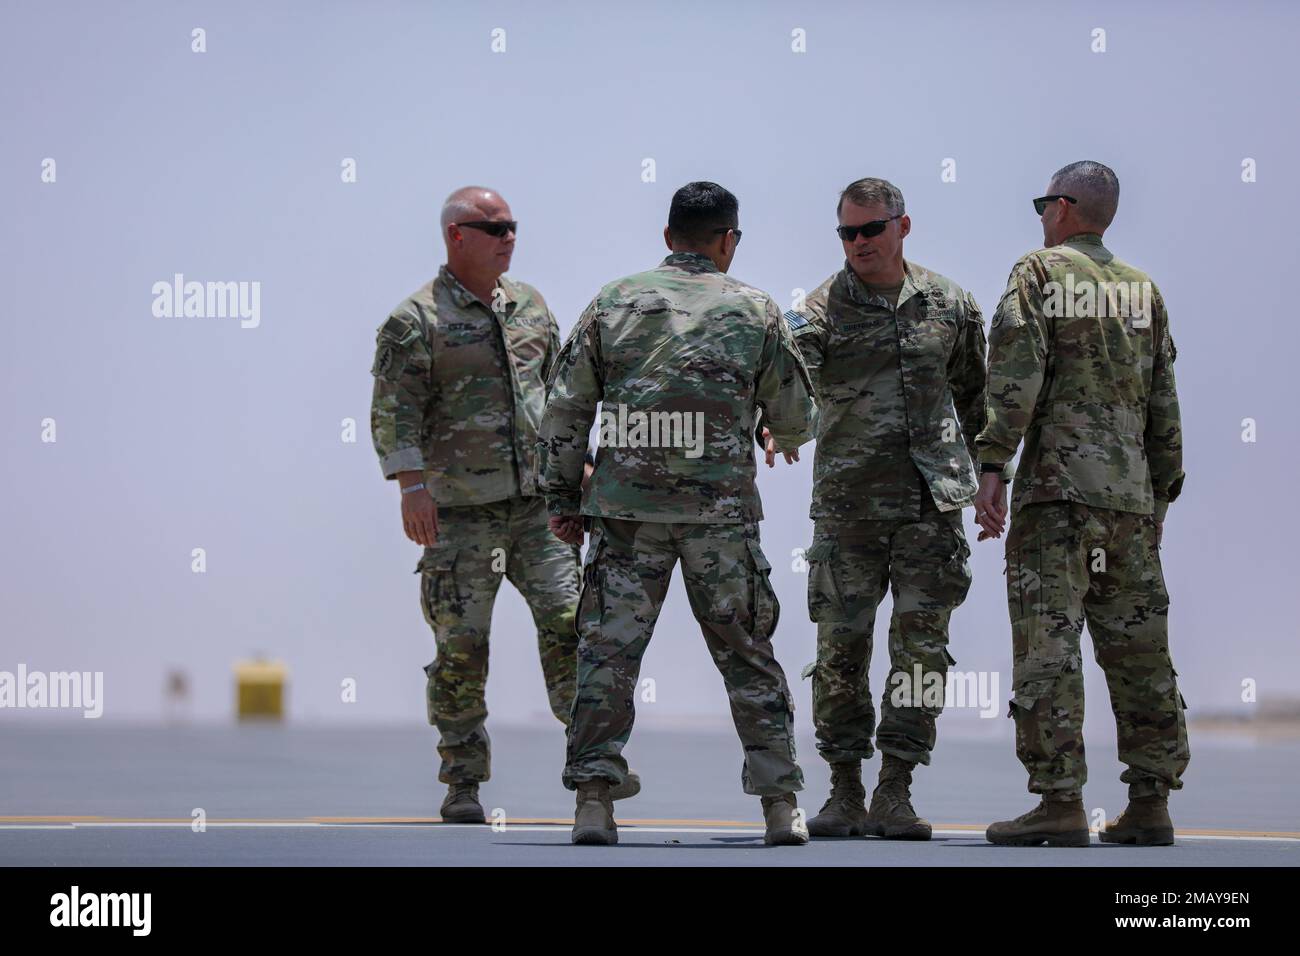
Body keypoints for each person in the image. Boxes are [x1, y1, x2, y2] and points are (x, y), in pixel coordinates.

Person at [539, 182, 815, 846]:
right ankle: (781, 805)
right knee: (748, 655)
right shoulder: (754, 309)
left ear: (669, 238)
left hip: (626, 516)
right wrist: (767, 429)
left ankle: (595, 803)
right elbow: (798, 416)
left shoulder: (614, 301)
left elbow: (563, 410)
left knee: (607, 654)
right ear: (729, 241)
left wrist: (561, 498)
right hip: (720, 519)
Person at [975, 161, 1189, 847]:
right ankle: (1150, 802)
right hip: (1128, 500)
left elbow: (1016, 373)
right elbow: (1164, 403)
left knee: (1049, 646)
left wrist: (991, 464)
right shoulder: (1142, 291)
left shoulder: (1038, 273)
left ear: (1064, 207)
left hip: (1058, 496)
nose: (1041, 215)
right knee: (1139, 651)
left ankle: (1059, 799)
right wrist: (1160, 495)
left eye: (1044, 203)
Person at [774, 177, 986, 840]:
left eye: (871, 229)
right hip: (848, 511)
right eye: (848, 232)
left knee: (922, 654)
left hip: (931, 508)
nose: (859, 243)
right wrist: (778, 422)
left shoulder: (950, 304)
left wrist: (995, 479)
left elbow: (979, 401)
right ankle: (843, 789)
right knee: (839, 651)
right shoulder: (819, 309)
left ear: (903, 226)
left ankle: (895, 790)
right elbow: (789, 381)